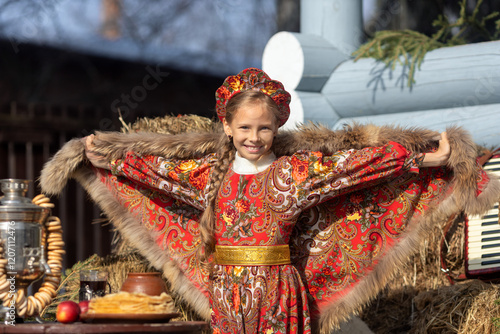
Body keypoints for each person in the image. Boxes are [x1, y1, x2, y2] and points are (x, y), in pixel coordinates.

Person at [82, 68, 453, 333]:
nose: (254, 137)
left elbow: (354, 168)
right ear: (227, 127)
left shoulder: (295, 173)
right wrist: (110, 159)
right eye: (244, 127)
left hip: (280, 293)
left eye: (264, 128)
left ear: (277, 128)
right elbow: (157, 171)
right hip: (226, 292)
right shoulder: (209, 175)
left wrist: (422, 159)